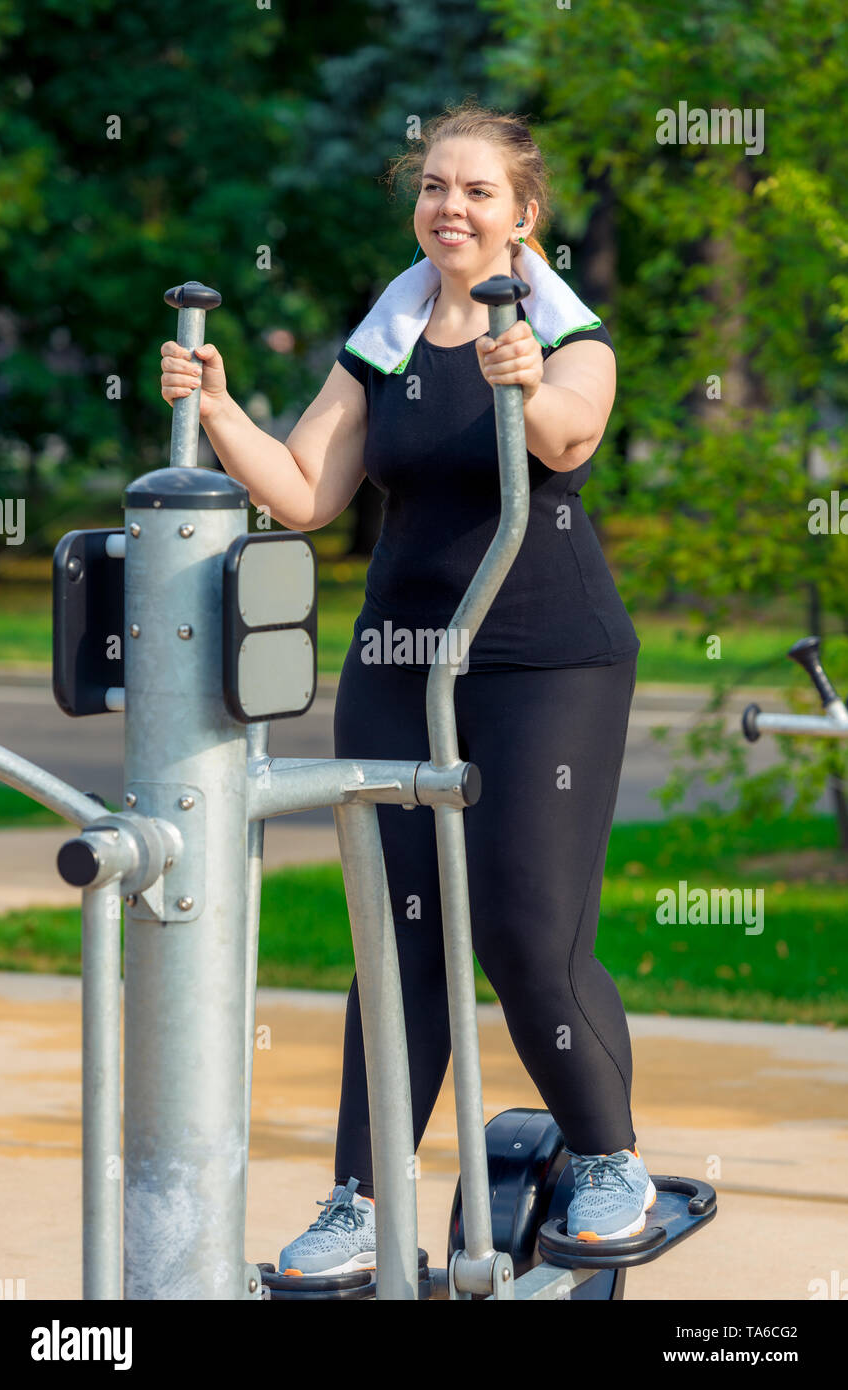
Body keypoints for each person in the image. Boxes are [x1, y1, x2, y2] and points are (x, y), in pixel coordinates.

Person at [160, 100, 654, 1281]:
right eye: (435, 186)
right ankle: (357, 1198)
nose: (452, 207)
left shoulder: (564, 336)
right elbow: (305, 491)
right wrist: (221, 403)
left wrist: (519, 381)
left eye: (479, 191)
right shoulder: (380, 340)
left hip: (548, 660)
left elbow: (574, 437)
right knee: (399, 939)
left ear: (522, 214)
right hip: (399, 660)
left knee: (527, 932)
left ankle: (609, 1159)